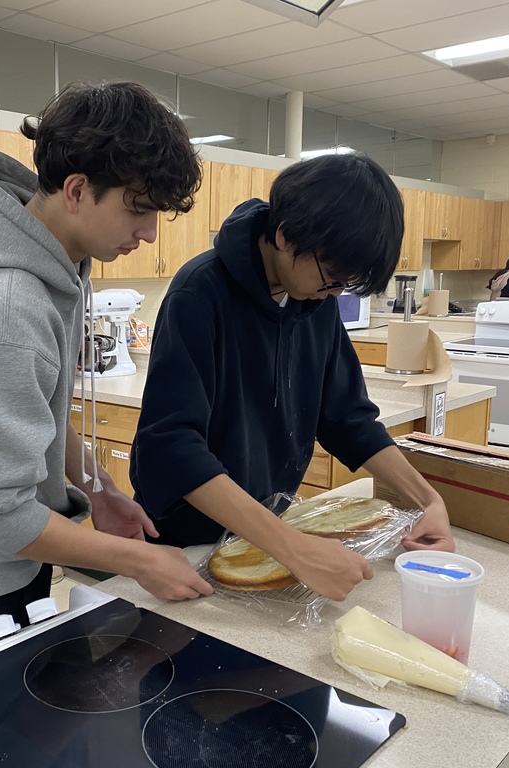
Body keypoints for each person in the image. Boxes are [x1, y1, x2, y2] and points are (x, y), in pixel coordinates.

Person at [0, 82, 212, 670]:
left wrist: (99, 489)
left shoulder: (49, 272)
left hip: (0, 561)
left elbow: (39, 413)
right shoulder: (9, 306)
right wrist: (141, 562)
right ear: (76, 190)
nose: (148, 234)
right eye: (139, 209)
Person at [129, 154, 455, 604]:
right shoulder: (199, 294)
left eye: (346, 283)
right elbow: (172, 448)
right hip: (186, 546)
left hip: (269, 534)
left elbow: (347, 418)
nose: (335, 293)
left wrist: (428, 501)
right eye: (331, 277)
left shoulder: (313, 300)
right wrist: (294, 548)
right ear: (284, 236)